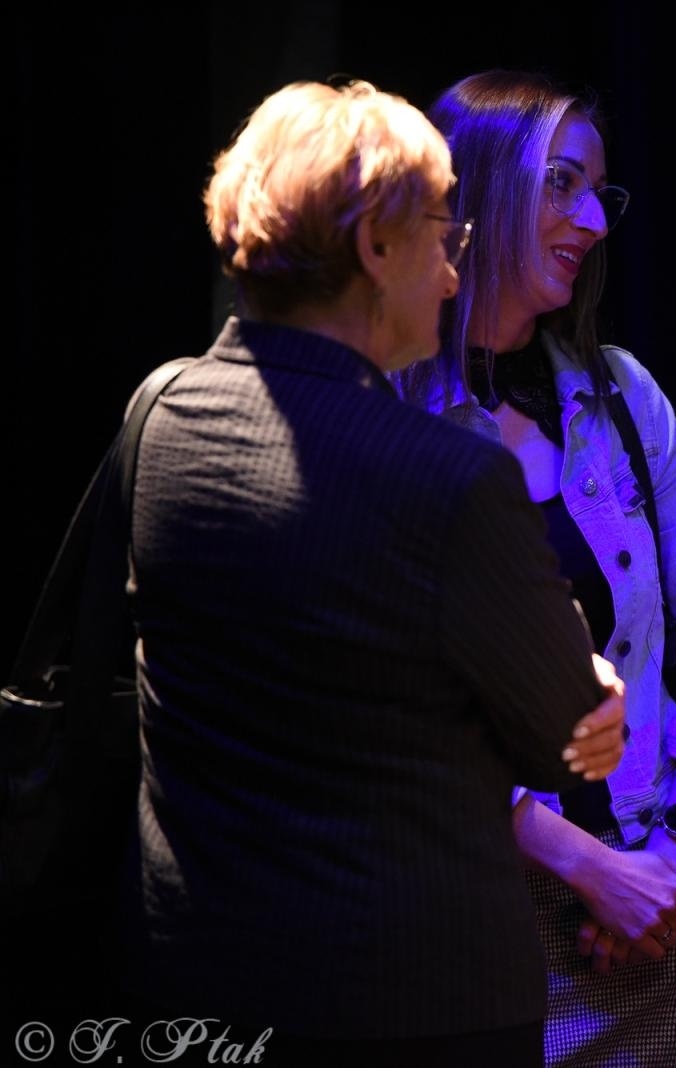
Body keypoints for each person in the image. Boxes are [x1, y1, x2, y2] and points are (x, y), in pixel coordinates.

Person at [117, 79, 626, 1066]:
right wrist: (589, 681)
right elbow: (568, 745)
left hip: (186, 991)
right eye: (440, 234)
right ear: (373, 249)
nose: (450, 274)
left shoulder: (156, 412)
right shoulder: (452, 477)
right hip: (409, 1004)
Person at [398, 70, 676, 1067]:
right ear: (474, 189)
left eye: (597, 194)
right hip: (499, 937)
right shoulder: (385, 415)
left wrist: (673, 848)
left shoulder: (621, 397)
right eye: (560, 184)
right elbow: (387, 716)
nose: (592, 222)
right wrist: (583, 866)